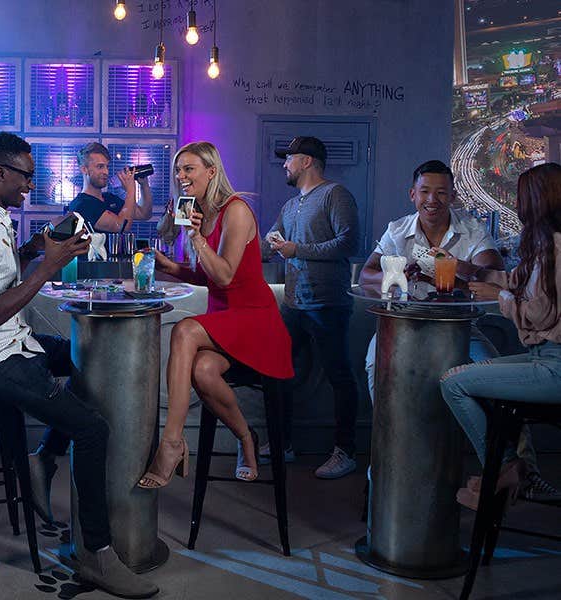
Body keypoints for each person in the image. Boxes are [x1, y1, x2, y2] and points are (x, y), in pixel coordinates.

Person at [0, 132, 158, 599]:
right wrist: (47, 266)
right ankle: (95, 554)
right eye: (25, 176)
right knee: (93, 429)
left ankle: (43, 461)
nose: (30, 186)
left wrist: (35, 249)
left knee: (85, 358)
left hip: (7, 341)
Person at [136, 141, 293, 488]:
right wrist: (171, 267)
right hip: (225, 318)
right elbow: (206, 276)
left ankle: (171, 443)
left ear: (211, 171)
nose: (181, 176)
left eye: (188, 169)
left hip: (256, 320)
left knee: (185, 331)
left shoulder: (236, 210)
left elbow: (224, 275)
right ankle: (246, 437)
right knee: (203, 371)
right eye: (178, 170)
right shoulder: (198, 214)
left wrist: (195, 238)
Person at [441, 162, 561, 508]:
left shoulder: (555, 248)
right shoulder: (548, 246)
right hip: (545, 357)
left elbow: (540, 311)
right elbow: (525, 286)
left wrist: (500, 299)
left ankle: (508, 468)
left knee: (454, 382)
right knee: (479, 371)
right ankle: (513, 469)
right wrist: (476, 271)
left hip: (554, 365)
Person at [359, 160, 505, 398]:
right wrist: (396, 274)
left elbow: (491, 271)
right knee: (376, 366)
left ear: (453, 196)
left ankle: (498, 435)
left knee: (492, 370)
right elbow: (366, 275)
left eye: (441, 193)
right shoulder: (396, 229)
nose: (431, 200)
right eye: (425, 192)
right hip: (403, 322)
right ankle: (387, 433)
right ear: (412, 194)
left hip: (458, 323)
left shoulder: (473, 229)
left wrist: (454, 265)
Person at [266, 136, 361, 479]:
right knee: (279, 371)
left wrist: (297, 249)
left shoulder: (335, 194)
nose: (284, 165)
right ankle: (284, 443)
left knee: (339, 377)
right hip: (293, 304)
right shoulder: (291, 206)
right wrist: (269, 242)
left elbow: (350, 242)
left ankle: (345, 450)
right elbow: (273, 241)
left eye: (288, 159)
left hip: (328, 304)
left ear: (306, 161)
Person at [67, 142, 152, 232]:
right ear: (84, 169)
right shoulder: (81, 204)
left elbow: (144, 214)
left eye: (107, 167)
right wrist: (130, 190)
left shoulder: (109, 198)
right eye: (100, 167)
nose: (106, 172)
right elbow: (121, 227)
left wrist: (144, 185)